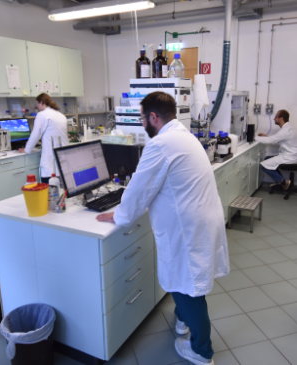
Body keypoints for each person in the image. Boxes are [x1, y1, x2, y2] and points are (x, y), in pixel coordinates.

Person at [96, 92, 228, 365]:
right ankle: (183, 321)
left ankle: (202, 352)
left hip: (188, 228)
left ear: (153, 117)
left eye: (143, 118)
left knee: (186, 287)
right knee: (187, 281)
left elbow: (137, 192)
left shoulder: (160, 145)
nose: (142, 123)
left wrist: (118, 216)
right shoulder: (184, 137)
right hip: (201, 219)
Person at [19, 93, 69, 183]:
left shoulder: (42, 115)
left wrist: (26, 149)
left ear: (41, 103)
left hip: (51, 161)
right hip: (64, 159)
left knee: (50, 193)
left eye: (37, 104)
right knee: (63, 191)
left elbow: (35, 135)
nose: (37, 106)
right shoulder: (61, 115)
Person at [257, 109, 297, 190]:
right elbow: (277, 140)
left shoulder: (285, 130)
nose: (274, 119)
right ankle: (281, 182)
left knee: (263, 165)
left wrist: (253, 138)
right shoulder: (289, 128)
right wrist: (266, 137)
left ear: (281, 118)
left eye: (276, 117)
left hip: (290, 157)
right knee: (267, 159)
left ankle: (284, 182)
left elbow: (272, 140)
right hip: (292, 156)